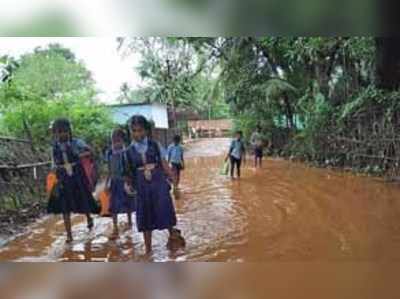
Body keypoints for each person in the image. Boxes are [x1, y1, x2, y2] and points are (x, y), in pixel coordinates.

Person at [124, 115, 185, 254]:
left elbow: (165, 165)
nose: (137, 134)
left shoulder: (155, 145)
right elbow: (128, 173)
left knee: (165, 210)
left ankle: (173, 236)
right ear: (130, 131)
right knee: (145, 217)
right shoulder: (128, 152)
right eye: (134, 131)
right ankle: (148, 250)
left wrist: (175, 186)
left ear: (146, 130)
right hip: (142, 187)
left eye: (140, 130)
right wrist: (128, 186)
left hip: (158, 184)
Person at [47, 118, 99, 243]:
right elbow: (53, 163)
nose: (61, 135)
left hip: (77, 174)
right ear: (54, 133)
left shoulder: (77, 143)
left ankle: (88, 217)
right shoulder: (54, 147)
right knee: (64, 205)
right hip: (63, 177)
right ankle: (69, 235)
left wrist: (79, 156)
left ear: (69, 131)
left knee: (83, 197)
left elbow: (90, 152)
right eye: (58, 132)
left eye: (64, 131)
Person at [105, 128, 136, 238]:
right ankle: (115, 226)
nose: (116, 143)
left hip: (125, 181)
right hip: (114, 182)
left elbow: (130, 168)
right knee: (113, 205)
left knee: (128, 203)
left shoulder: (127, 152)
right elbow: (109, 170)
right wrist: (106, 184)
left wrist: (131, 182)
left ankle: (130, 222)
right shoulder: (109, 152)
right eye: (113, 140)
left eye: (118, 140)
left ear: (123, 140)